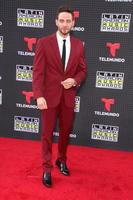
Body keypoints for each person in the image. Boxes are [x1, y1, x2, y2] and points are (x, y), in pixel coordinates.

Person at [32, 5, 87, 188]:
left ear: (73, 23)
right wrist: (38, 95)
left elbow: (82, 70)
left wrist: (74, 80)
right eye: (61, 21)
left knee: (65, 132)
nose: (64, 24)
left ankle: (61, 160)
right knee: (47, 134)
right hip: (48, 97)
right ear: (56, 22)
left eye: (68, 21)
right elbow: (38, 72)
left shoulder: (79, 45)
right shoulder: (44, 42)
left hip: (68, 97)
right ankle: (47, 168)